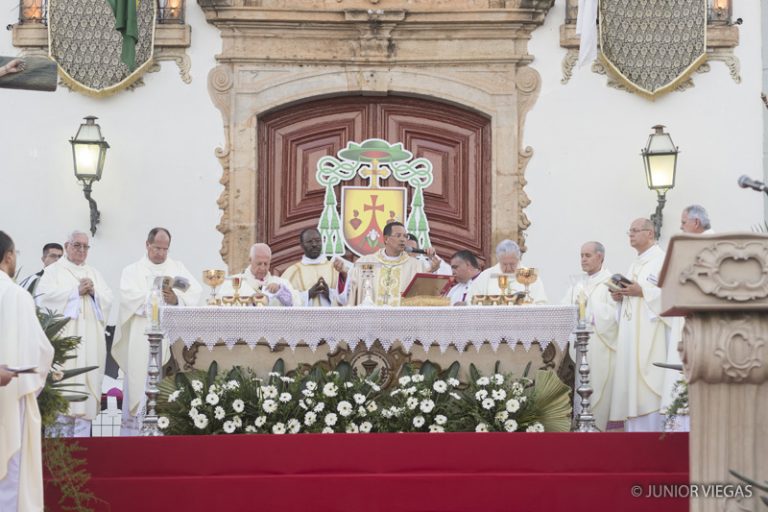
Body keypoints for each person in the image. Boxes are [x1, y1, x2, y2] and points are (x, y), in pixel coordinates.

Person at [112, 228, 202, 436]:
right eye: (157, 248)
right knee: (139, 381)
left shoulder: (177, 267)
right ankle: (134, 434)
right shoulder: (132, 270)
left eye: (165, 249)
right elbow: (128, 298)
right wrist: (156, 297)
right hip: (141, 333)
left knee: (168, 381)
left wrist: (175, 299)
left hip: (171, 335)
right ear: (147, 245)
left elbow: (194, 291)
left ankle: (166, 431)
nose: (161, 253)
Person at [35, 230, 113, 437]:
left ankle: (83, 451)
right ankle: (57, 447)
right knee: (64, 392)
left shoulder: (94, 273)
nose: (81, 250)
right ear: (67, 245)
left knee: (86, 397)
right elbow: (43, 300)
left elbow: (109, 300)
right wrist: (74, 293)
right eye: (76, 245)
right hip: (65, 346)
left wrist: (94, 293)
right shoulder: (53, 271)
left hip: (90, 344)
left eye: (85, 246)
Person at [609, 218, 680, 432]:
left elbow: (672, 295)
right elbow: (635, 294)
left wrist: (643, 292)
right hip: (633, 335)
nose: (631, 235)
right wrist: (622, 296)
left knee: (651, 382)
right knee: (632, 383)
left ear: (650, 234)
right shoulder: (635, 263)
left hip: (652, 335)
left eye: (635, 231)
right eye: (629, 231)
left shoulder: (662, 260)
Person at [0, 231, 54, 512]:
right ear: (8, 257)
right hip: (10, 393)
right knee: (9, 472)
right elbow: (39, 350)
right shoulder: (17, 295)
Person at [560, 241, 618, 431]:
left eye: (587, 255)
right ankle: (581, 426)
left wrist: (590, 309)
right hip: (581, 347)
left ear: (600, 257)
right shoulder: (578, 284)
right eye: (581, 256)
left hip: (600, 347)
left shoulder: (611, 282)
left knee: (598, 389)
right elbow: (564, 309)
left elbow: (615, 316)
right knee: (581, 389)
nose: (583, 260)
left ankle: (598, 430)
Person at [342, 222, 427, 306]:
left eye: (405, 236)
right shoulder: (365, 262)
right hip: (371, 318)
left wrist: (432, 269)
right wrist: (343, 273)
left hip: (401, 318)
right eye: (398, 235)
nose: (403, 239)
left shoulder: (416, 266)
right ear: (386, 239)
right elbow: (350, 292)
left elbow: (425, 296)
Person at [467, 239, 548, 303]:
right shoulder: (486, 276)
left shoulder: (530, 276)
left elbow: (540, 303)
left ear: (518, 259)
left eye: (512, 264)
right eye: (505, 264)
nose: (508, 268)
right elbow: (471, 302)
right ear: (498, 260)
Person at [282, 228, 345, 306]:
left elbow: (348, 297)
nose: (314, 244)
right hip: (305, 318)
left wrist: (329, 293)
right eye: (309, 241)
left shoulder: (335, 269)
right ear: (301, 245)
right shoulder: (293, 271)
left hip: (332, 317)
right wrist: (308, 294)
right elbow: (282, 300)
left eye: (318, 240)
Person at [223, 243, 300, 306]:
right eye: (259, 264)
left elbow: (298, 305)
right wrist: (249, 302)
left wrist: (280, 292)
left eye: (266, 264)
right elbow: (222, 307)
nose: (263, 268)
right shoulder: (233, 282)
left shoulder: (282, 284)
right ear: (250, 260)